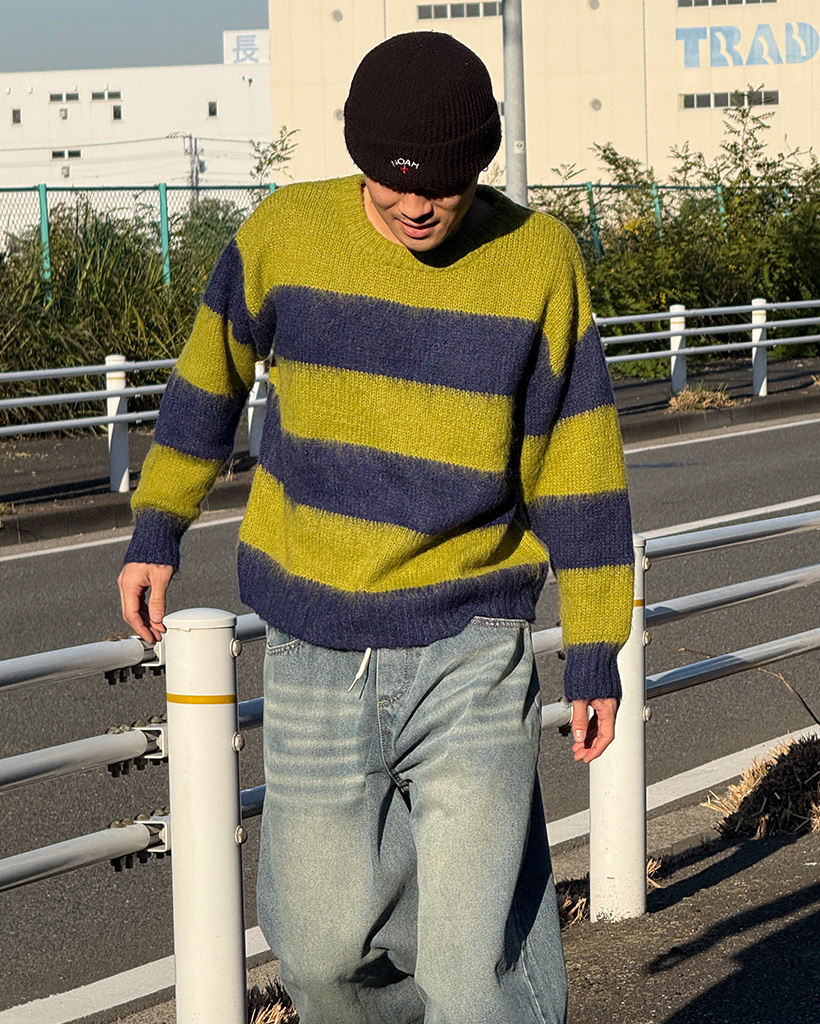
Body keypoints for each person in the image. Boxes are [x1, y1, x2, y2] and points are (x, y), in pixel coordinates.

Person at [118, 31, 633, 1024]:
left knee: (471, 974)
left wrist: (596, 644)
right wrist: (157, 527)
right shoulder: (284, 234)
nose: (414, 204)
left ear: (478, 165)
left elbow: (579, 457)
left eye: (441, 186)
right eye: (392, 182)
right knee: (319, 960)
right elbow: (207, 379)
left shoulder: (537, 258)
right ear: (357, 155)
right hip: (315, 642)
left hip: (470, 641)